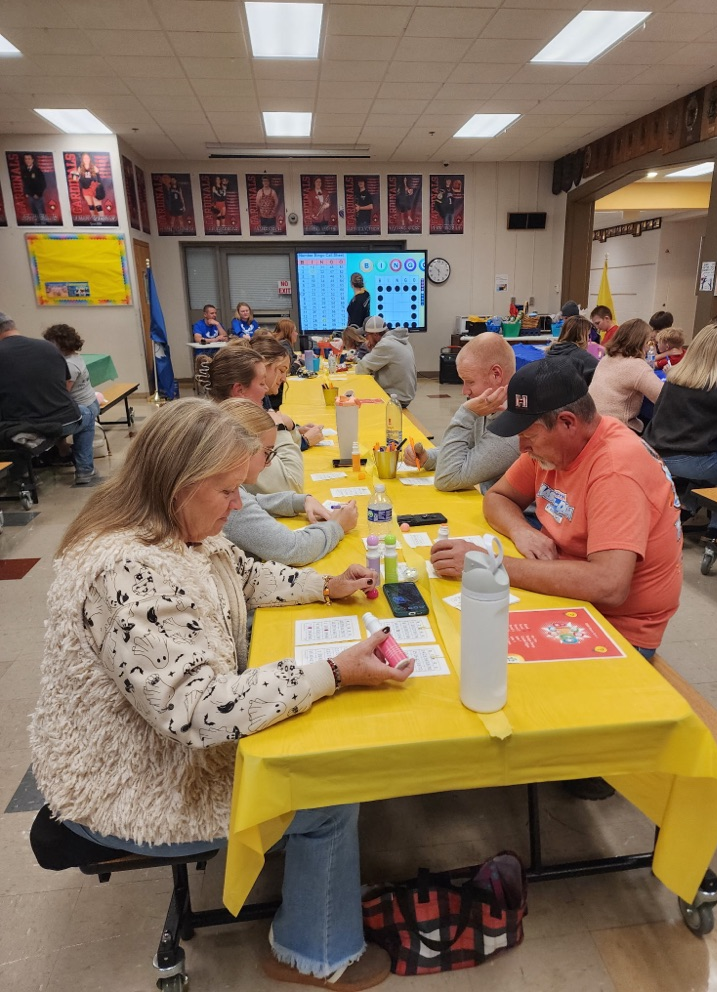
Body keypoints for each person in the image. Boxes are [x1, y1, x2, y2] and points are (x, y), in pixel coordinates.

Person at [30, 398, 412, 992]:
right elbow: (196, 712)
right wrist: (331, 672)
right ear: (180, 484)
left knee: (312, 744)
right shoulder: (127, 571)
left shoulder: (175, 528)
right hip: (137, 779)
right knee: (327, 790)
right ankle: (313, 952)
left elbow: (244, 574)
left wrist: (324, 585)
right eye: (229, 491)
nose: (239, 505)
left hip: (160, 742)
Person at [433, 358, 683, 660]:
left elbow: (609, 585)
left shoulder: (615, 468)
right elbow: (498, 498)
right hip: (573, 592)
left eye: (529, 435)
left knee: (483, 662)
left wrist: (488, 565)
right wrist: (522, 531)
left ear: (567, 422)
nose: (522, 447)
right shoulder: (554, 447)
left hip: (616, 628)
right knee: (459, 636)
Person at [645, 322, 717, 549]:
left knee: (708, 466)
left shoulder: (674, 377)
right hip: (691, 458)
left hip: (656, 453)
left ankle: (688, 507)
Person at [220, 399, 359, 566]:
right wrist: (337, 526)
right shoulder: (226, 500)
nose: (269, 462)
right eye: (267, 452)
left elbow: (251, 501)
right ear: (242, 449)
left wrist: (298, 501)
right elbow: (292, 549)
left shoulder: (224, 484)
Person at [403, 332, 519, 493]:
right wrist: (428, 457)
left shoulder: (513, 429)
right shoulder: (487, 405)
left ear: (496, 374)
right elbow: (467, 448)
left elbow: (447, 478)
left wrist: (466, 413)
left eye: (470, 382)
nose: (465, 391)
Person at [0, 313, 99, 487]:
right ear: (13, 326)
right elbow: (62, 385)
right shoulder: (48, 348)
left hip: (21, 424)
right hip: (63, 420)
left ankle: (23, 473)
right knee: (88, 413)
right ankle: (84, 469)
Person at [195, 344, 303, 494]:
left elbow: (293, 449)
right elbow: (292, 485)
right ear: (239, 390)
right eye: (261, 383)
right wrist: (280, 428)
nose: (266, 389)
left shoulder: (226, 417)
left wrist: (288, 427)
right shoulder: (233, 433)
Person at [42, 324, 101, 482]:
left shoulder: (69, 365)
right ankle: (71, 457)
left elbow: (62, 393)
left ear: (60, 343)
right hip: (90, 401)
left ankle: (79, 465)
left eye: (50, 342)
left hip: (83, 406)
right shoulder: (75, 357)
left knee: (76, 424)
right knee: (80, 429)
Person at [588, 318, 664, 433]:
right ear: (642, 342)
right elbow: (663, 398)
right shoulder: (637, 366)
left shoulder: (606, 359)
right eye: (649, 342)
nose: (650, 347)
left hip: (593, 424)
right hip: (617, 430)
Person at [251, 334, 324, 447]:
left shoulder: (263, 396)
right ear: (263, 367)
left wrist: (296, 429)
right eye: (281, 370)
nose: (284, 379)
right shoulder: (249, 402)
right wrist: (304, 442)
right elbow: (269, 451)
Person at [355, 316, 417, 408]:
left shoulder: (386, 344)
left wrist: (371, 350)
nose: (366, 339)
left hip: (397, 398)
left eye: (367, 335)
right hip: (405, 394)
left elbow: (361, 369)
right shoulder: (399, 340)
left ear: (375, 334)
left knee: (357, 397)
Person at [545, 316, 599, 384]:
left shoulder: (552, 351)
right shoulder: (583, 357)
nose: (588, 339)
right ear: (582, 336)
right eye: (588, 335)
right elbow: (601, 373)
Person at [74, 153, 104, 220]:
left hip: (94, 188)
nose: (86, 160)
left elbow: (99, 179)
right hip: (85, 189)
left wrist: (99, 189)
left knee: (98, 206)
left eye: (87, 158)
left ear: (90, 159)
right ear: (82, 159)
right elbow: (76, 179)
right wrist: (75, 176)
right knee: (90, 205)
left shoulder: (94, 167)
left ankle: (103, 220)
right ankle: (94, 219)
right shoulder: (80, 168)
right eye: (85, 158)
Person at [20, 153, 47, 223]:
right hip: (30, 196)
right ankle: (37, 227)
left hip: (38, 196)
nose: (27, 161)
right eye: (26, 159)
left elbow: (43, 184)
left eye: (29, 159)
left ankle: (44, 226)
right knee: (34, 213)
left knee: (40, 212)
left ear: (32, 160)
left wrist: (38, 194)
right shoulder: (24, 171)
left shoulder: (37, 171)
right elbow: (25, 184)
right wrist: (26, 192)